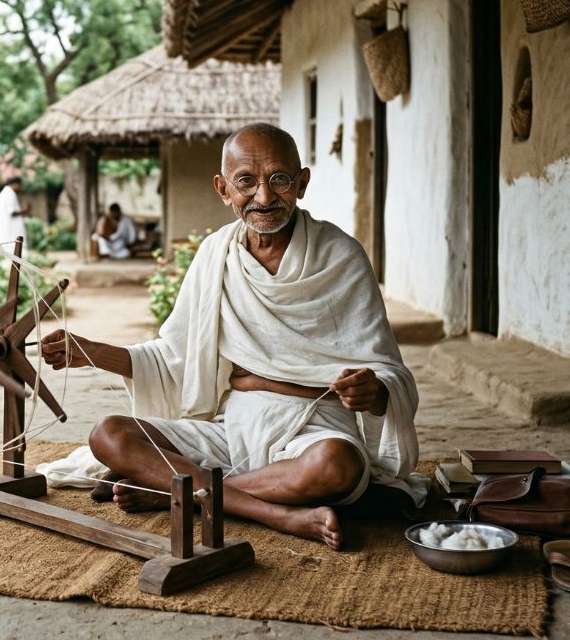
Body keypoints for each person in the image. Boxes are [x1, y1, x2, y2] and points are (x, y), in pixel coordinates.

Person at [40, 123, 421, 550]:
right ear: (223, 189)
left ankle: (171, 489)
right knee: (108, 434)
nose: (263, 197)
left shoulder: (340, 256)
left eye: (279, 179)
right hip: (233, 425)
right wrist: (91, 352)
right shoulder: (216, 254)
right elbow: (173, 358)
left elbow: (389, 371)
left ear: (302, 183)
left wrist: (373, 391)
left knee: (338, 466)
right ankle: (274, 512)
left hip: (314, 428)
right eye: (246, 181)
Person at [0, 176, 29, 256]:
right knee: (13, 250)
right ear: (16, 184)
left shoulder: (5, 193)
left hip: (7, 228)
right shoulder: (9, 194)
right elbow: (12, 212)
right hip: (11, 229)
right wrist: (25, 211)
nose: (20, 188)